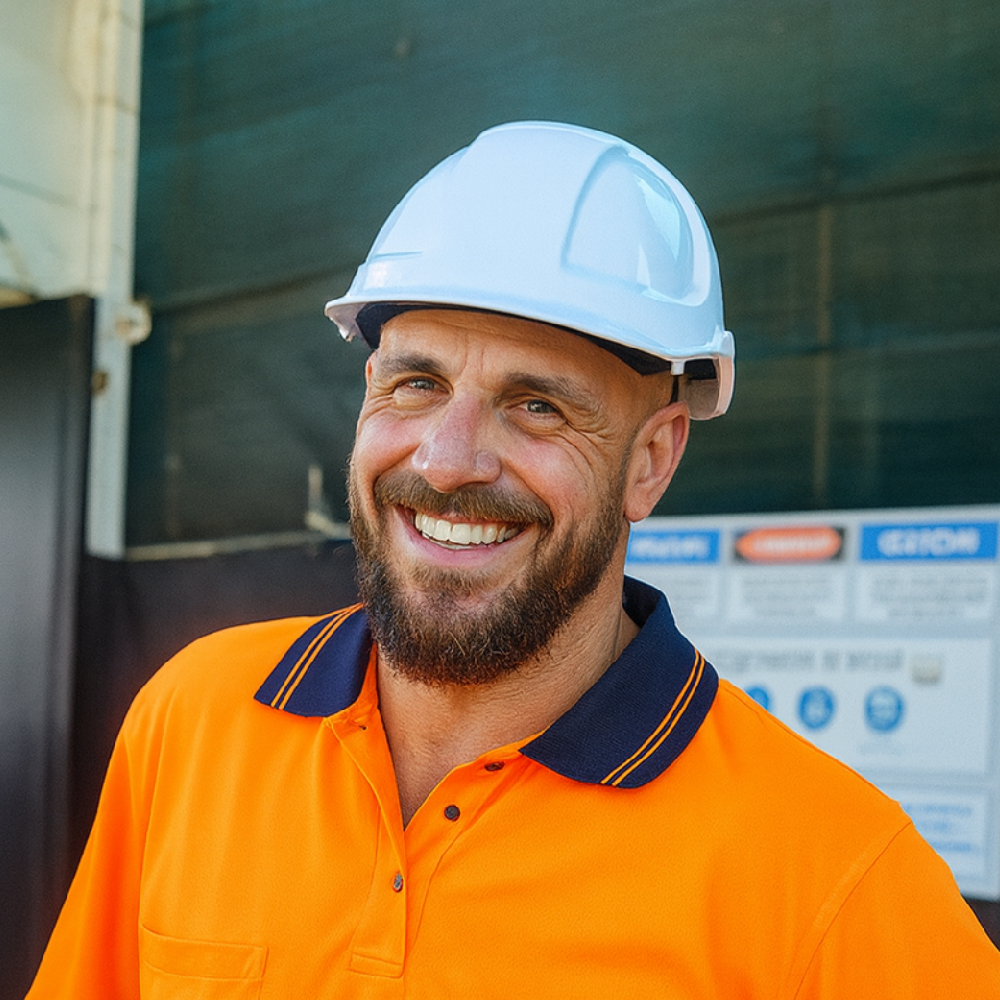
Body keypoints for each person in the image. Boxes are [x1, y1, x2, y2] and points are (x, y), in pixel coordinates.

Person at [28, 121, 1000, 998]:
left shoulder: (832, 878)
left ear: (650, 459)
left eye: (537, 403)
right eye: (416, 382)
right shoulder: (192, 721)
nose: (447, 461)